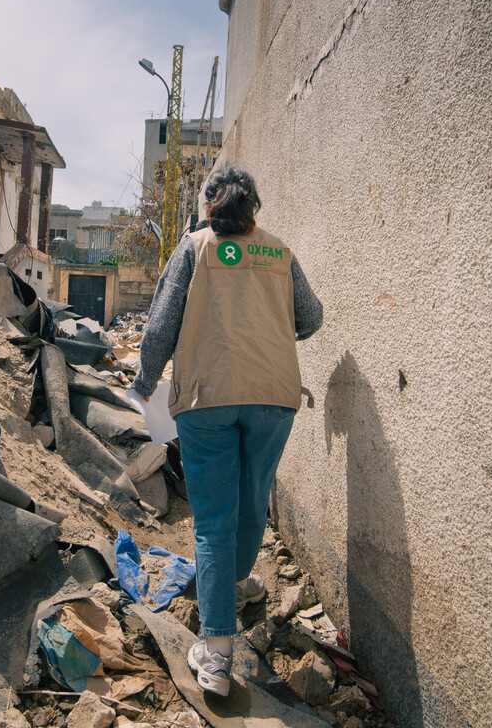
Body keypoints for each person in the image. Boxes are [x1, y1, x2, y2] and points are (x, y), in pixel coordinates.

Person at [131, 162, 322, 696]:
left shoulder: (193, 249)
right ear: (253, 206)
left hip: (207, 396)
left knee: (214, 519)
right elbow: (310, 319)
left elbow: (160, 327)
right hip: (273, 397)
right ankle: (234, 584)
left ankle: (216, 655)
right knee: (252, 499)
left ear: (207, 205)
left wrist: (144, 383)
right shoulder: (280, 253)